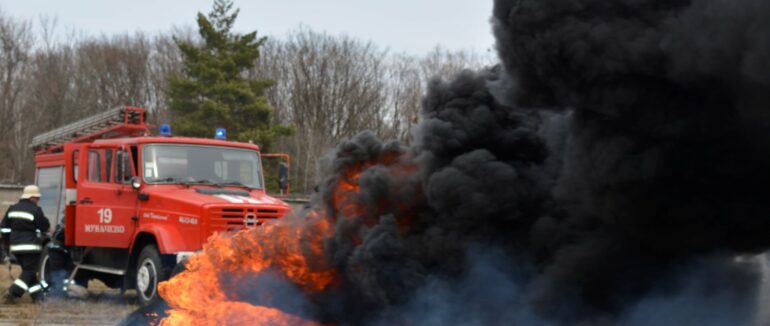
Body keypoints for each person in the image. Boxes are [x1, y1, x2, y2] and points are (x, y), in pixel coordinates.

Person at [1, 185, 50, 303]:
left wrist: (7, 244)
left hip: (15, 247)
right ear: (31, 197)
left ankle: (38, 298)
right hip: (31, 247)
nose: (38, 200)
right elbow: (45, 226)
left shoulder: (12, 208)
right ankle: (13, 292)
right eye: (37, 198)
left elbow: (4, 228)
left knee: (29, 273)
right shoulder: (35, 210)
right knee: (30, 271)